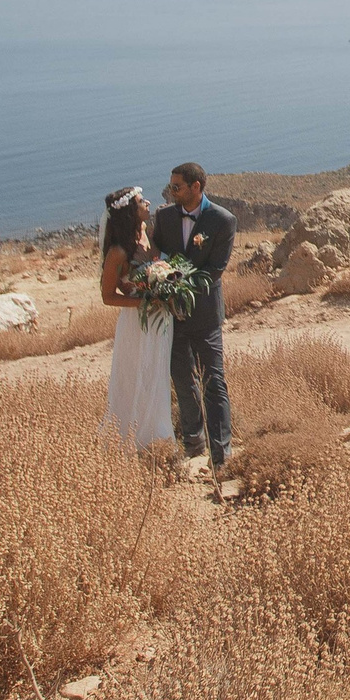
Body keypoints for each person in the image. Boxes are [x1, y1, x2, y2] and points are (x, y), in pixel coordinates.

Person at [153, 161, 235, 473]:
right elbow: (156, 253)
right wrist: (154, 277)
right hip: (171, 316)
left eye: (177, 187)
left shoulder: (223, 220)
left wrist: (180, 284)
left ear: (195, 187)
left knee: (213, 380)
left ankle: (221, 453)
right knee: (182, 379)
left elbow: (215, 270)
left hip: (205, 314)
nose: (171, 191)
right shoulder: (163, 217)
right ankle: (193, 442)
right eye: (171, 186)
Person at [98, 186, 176, 454]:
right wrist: (145, 301)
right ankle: (133, 440)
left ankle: (158, 435)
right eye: (142, 201)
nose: (148, 203)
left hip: (161, 321)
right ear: (131, 211)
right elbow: (108, 296)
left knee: (158, 374)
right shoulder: (118, 252)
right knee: (136, 378)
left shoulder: (147, 234)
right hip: (137, 323)